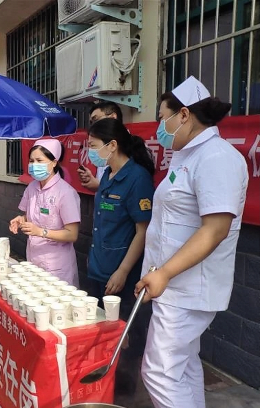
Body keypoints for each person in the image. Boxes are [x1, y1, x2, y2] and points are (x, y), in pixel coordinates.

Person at [135, 76, 248, 408]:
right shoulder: (186, 155)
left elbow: (215, 230)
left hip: (188, 288)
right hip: (174, 286)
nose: (160, 127)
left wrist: (165, 273)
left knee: (159, 372)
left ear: (183, 114)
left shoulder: (217, 158)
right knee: (182, 367)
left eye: (163, 117)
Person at [85, 118, 155, 394]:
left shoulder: (137, 178)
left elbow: (143, 231)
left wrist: (123, 271)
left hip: (121, 274)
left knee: (125, 335)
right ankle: (102, 386)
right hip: (99, 267)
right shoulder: (107, 175)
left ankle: (123, 392)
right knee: (101, 330)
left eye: (93, 146)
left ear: (112, 145)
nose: (90, 151)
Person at [9, 139, 81, 285]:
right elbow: (29, 216)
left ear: (54, 163)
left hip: (57, 266)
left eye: (39, 160)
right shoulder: (32, 187)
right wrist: (21, 220)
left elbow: (72, 234)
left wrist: (40, 232)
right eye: (31, 161)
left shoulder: (65, 193)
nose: (34, 165)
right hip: (34, 259)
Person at [78, 101, 124, 192]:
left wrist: (100, 186)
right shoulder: (104, 153)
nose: (93, 126)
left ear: (113, 117)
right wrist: (93, 181)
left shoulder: (133, 148)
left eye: (96, 120)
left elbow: (127, 189)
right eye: (91, 122)